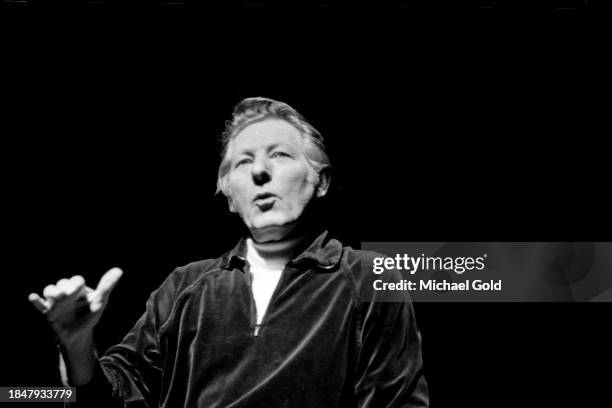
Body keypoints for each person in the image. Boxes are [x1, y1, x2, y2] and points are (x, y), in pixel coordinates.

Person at [28, 97, 429, 407]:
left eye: (280, 155)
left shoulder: (367, 276)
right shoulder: (185, 285)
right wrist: (77, 345)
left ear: (320, 180)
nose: (259, 172)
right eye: (243, 162)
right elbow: (110, 395)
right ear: (230, 198)